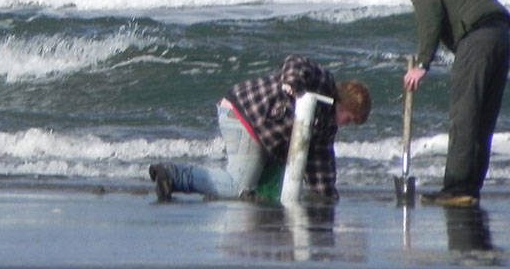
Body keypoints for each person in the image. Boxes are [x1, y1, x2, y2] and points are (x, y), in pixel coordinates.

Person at [149, 55, 371, 204]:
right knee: (239, 186)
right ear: (342, 103)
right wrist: (293, 84)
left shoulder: (326, 128)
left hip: (268, 139)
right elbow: (296, 63)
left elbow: (320, 164)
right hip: (242, 114)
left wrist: (327, 197)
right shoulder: (324, 82)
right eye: (349, 119)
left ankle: (215, 193)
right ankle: (172, 175)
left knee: (269, 196)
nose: (346, 124)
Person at [386, 0, 509, 207]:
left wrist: (422, 63)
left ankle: (455, 188)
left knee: (464, 115)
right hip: (501, 35)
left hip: (477, 39)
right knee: (482, 118)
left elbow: (430, 18)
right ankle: (469, 189)